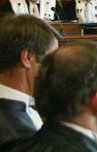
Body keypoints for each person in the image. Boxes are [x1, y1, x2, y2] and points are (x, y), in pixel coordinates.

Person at [0, 15, 59, 144]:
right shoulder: (18, 136)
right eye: (50, 60)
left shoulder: (23, 108)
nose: (54, 69)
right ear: (27, 57)